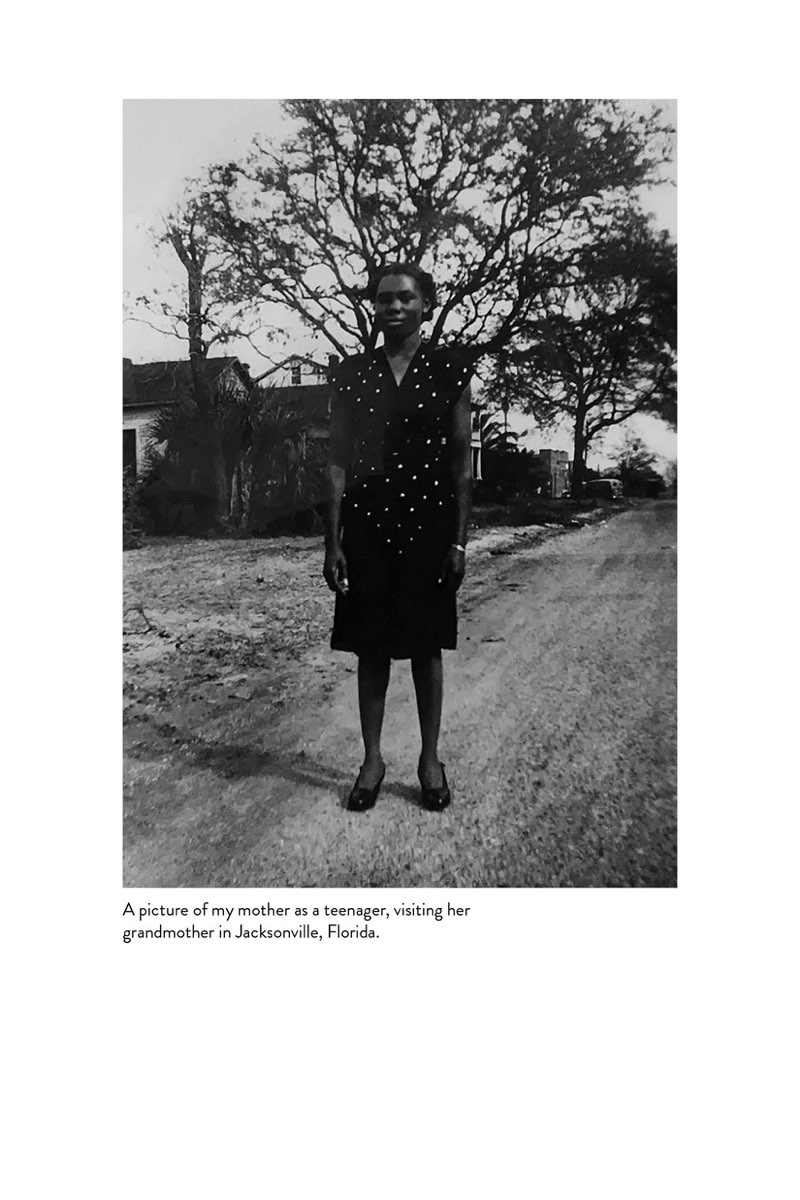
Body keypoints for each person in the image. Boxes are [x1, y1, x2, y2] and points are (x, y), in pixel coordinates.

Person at [323, 262, 473, 812]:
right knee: (372, 647)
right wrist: (333, 542)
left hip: (429, 527)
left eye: (405, 298)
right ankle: (372, 760)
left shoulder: (450, 372)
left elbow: (461, 465)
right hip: (368, 526)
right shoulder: (351, 375)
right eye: (384, 298)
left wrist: (458, 542)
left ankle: (430, 759)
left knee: (426, 647)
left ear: (425, 305)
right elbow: (337, 462)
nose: (393, 307)